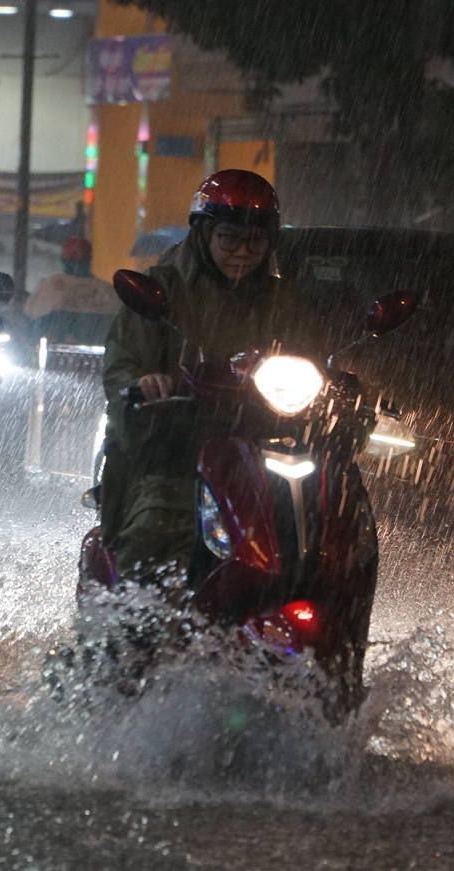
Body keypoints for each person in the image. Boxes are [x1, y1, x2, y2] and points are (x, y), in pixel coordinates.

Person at [98, 169, 328, 579]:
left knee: (326, 530)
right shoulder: (165, 290)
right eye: (230, 239)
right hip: (174, 447)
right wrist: (144, 385)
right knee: (155, 531)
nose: (243, 252)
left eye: (256, 241)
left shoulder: (283, 303)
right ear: (205, 233)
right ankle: (128, 627)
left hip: (263, 445)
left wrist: (339, 388)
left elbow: (312, 359)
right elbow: (123, 362)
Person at [23, 237, 118, 343]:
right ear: (90, 260)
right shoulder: (106, 290)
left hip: (54, 356)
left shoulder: (49, 286)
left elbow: (26, 322)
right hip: (99, 356)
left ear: (64, 260)